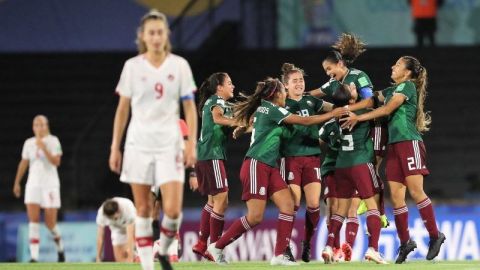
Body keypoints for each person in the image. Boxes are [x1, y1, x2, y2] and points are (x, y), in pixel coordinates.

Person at [206, 78, 345, 266]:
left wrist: (244, 128)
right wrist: (333, 113)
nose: (286, 95)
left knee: (288, 205)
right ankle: (217, 246)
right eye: (283, 91)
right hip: (256, 164)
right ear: (277, 94)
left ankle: (279, 255)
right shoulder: (272, 108)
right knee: (255, 217)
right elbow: (306, 121)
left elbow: (257, 123)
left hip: (269, 166)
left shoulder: (267, 109)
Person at [109, 9, 198, 270]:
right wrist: (116, 146)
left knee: (172, 211)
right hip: (138, 144)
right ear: (143, 37)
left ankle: (166, 249)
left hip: (169, 143)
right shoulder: (132, 67)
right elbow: (123, 109)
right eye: (151, 33)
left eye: (160, 32)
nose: (156, 37)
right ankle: (148, 266)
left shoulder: (179, 65)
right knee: (144, 209)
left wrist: (190, 142)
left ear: (166, 35)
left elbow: (190, 108)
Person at [342, 55, 446, 263]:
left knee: (416, 192)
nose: (392, 66)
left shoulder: (407, 87)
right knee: (397, 198)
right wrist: (348, 102)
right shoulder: (390, 91)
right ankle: (405, 242)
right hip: (395, 147)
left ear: (407, 72)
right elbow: (372, 99)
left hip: (410, 143)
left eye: (397, 64)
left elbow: (387, 109)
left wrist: (358, 117)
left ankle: (435, 235)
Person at [320, 85, 386, 264]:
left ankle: (328, 246)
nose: (354, 86)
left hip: (341, 166)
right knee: (372, 206)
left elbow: (321, 138)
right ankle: (373, 249)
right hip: (361, 162)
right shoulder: (362, 111)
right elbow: (380, 106)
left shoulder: (333, 119)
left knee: (340, 211)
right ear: (350, 100)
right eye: (352, 89)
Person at [279, 63, 336, 263]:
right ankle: (284, 246)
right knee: (292, 204)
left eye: (301, 80)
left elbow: (335, 108)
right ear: (285, 85)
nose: (299, 84)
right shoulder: (281, 104)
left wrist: (350, 102)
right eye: (294, 81)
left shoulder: (312, 101)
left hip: (312, 157)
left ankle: (307, 243)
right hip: (291, 158)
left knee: (313, 205)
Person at [192, 72, 235, 261]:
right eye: (229, 83)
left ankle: (202, 243)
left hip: (207, 155)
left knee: (213, 201)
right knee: (222, 199)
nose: (232, 86)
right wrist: (238, 122)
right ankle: (214, 246)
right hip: (212, 155)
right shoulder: (215, 101)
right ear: (219, 87)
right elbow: (218, 118)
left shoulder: (220, 103)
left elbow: (234, 121)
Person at [12, 115, 65, 263]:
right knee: (33, 221)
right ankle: (34, 257)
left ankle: (60, 248)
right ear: (33, 127)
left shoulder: (53, 141)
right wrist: (17, 182)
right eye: (36, 125)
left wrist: (44, 148)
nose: (39, 127)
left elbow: (56, 161)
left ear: (47, 126)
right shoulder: (29, 143)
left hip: (50, 185)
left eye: (42, 124)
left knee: (50, 223)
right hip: (33, 185)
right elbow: (23, 163)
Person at [150, 119, 198, 263]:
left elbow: (189, 146)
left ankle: (172, 245)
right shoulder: (151, 123)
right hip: (154, 169)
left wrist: (193, 173)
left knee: (170, 207)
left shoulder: (179, 123)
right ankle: (157, 243)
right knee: (153, 208)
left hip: (171, 169)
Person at [96, 197, 136, 262]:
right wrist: (98, 257)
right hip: (117, 230)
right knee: (120, 259)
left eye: (116, 217)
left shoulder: (127, 207)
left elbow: (130, 236)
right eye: (113, 218)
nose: (116, 218)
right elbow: (100, 237)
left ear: (118, 210)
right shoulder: (101, 214)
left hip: (135, 228)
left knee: (131, 256)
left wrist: (130, 257)